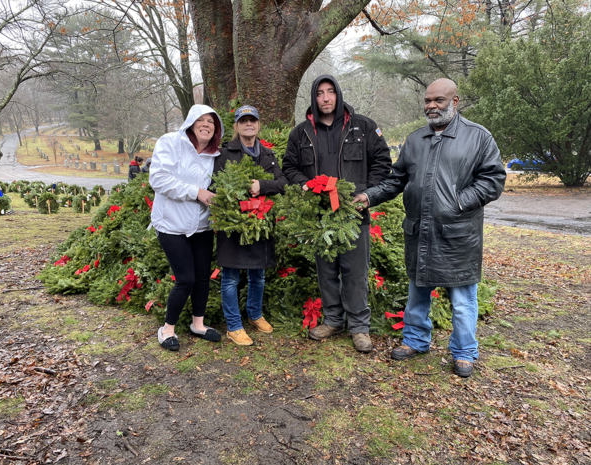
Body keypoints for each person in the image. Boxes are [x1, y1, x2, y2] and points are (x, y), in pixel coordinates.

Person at [353, 78, 506, 376]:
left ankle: (464, 352)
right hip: (420, 232)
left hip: (458, 235)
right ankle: (415, 341)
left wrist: (457, 202)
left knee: (462, 300)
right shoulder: (415, 140)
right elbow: (396, 180)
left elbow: (493, 180)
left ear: (455, 101)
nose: (432, 106)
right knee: (418, 292)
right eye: (428, 100)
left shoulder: (478, 137)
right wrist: (369, 196)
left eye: (439, 100)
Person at [282, 75, 392, 353]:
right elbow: (289, 167)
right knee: (326, 271)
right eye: (320, 93)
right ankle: (333, 320)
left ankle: (359, 327)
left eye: (331, 92)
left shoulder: (363, 126)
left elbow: (382, 162)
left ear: (338, 94)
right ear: (313, 98)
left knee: (355, 272)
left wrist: (366, 193)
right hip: (319, 218)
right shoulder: (301, 133)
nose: (326, 98)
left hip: (354, 214)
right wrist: (305, 185)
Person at [150, 104, 224, 351]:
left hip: (201, 226)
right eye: (201, 120)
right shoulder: (171, 142)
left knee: (203, 277)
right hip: (171, 224)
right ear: (191, 122)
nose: (206, 125)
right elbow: (158, 179)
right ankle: (167, 329)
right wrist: (196, 192)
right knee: (185, 279)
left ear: (216, 129)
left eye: (211, 122)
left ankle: (198, 324)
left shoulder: (215, 155)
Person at [213, 105, 288, 346]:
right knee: (231, 277)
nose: (249, 124)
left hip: (261, 225)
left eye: (252, 120)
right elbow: (216, 187)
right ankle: (234, 326)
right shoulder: (225, 154)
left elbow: (283, 182)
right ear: (236, 126)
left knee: (259, 276)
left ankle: (255, 314)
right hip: (234, 227)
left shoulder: (268, 155)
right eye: (243, 120)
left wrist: (262, 186)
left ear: (258, 125)